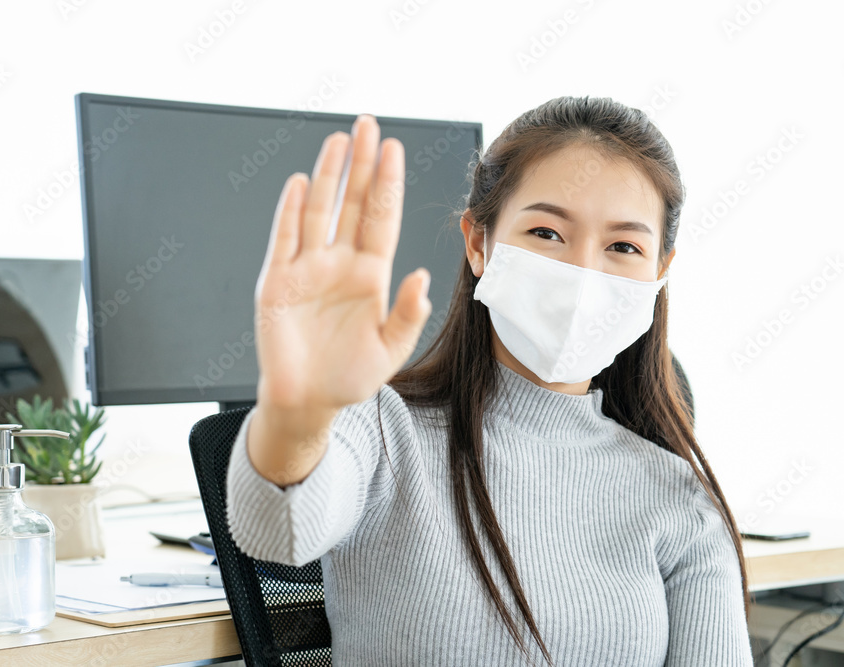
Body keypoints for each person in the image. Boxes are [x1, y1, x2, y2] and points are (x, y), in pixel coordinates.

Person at [225, 96, 753, 666]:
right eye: (547, 232)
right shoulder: (382, 429)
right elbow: (276, 533)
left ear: (659, 273)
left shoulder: (680, 498)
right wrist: (299, 411)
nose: (582, 272)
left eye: (624, 246)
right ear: (479, 243)